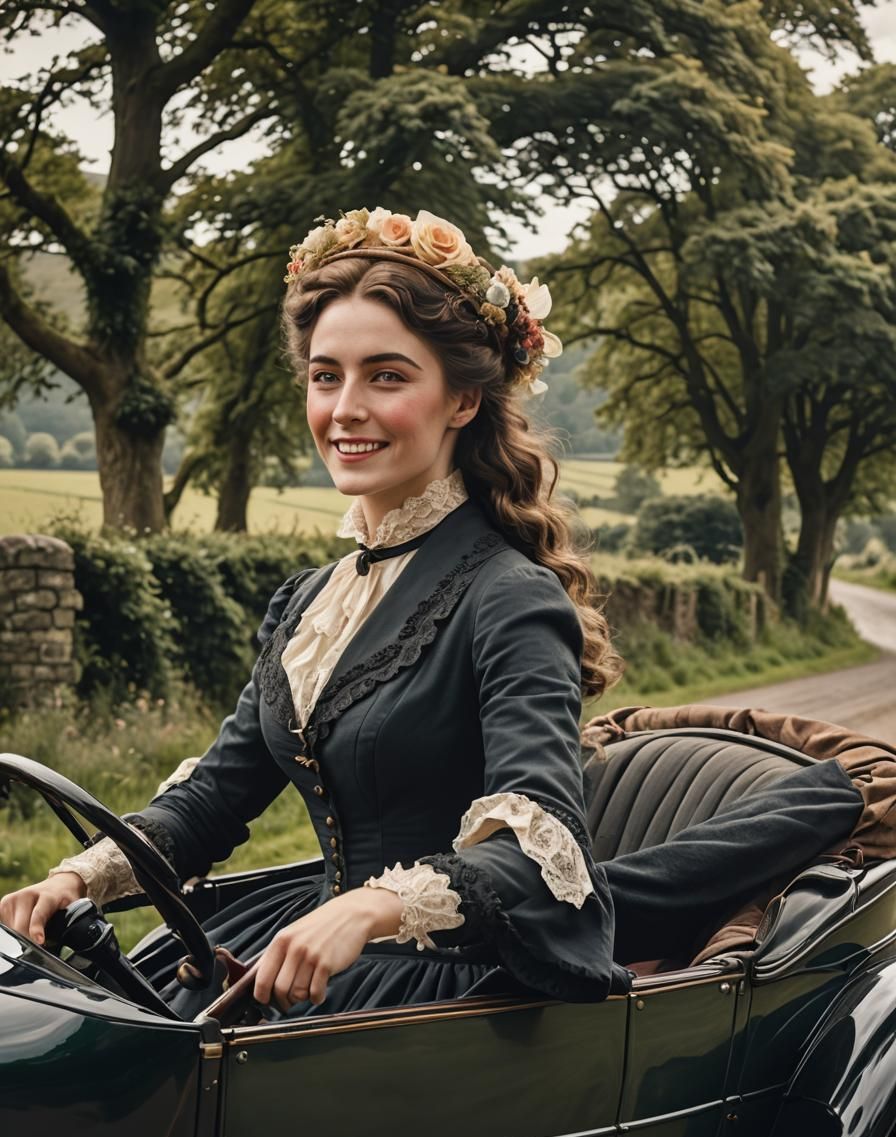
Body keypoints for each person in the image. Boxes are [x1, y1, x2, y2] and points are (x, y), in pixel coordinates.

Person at [0, 207, 864, 1017]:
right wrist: (79, 877)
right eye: (325, 377)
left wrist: (370, 909)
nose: (346, 410)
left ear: (461, 400)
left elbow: (540, 849)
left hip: (442, 981)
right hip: (297, 940)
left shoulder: (509, 597)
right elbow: (219, 799)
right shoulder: (309, 600)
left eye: (387, 377)